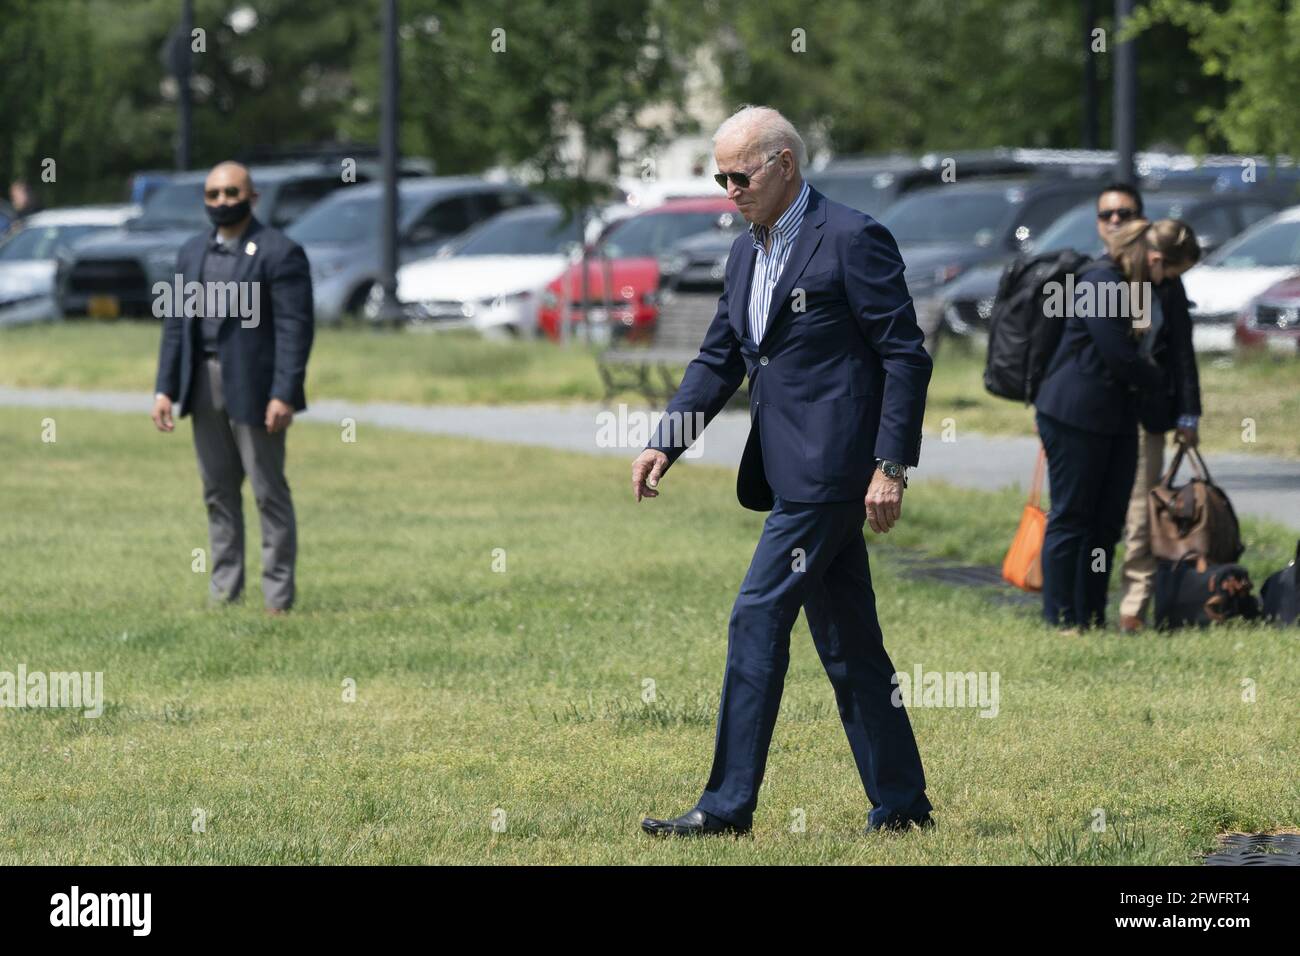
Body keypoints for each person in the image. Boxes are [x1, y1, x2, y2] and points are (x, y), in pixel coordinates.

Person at [630, 106, 935, 836]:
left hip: (832, 473)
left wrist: (889, 464)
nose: (729, 189)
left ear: (784, 165)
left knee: (756, 616)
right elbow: (721, 359)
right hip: (788, 469)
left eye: (740, 175)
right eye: (719, 177)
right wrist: (665, 441)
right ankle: (902, 806)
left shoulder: (852, 239)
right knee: (850, 643)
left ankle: (727, 806)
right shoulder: (745, 253)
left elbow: (904, 355)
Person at [151, 161, 315, 614]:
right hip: (201, 383)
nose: (222, 202)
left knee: (267, 491)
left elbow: (294, 330)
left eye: (231, 193)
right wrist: (165, 389)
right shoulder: (190, 253)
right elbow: (175, 328)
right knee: (218, 492)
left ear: (252, 197)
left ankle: (277, 599)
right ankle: (225, 592)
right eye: (214, 195)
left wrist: (284, 392)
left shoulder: (280, 252)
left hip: (256, 389)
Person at [1034, 217, 1171, 631]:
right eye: (1158, 261)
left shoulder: (1131, 286)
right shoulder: (1099, 282)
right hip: (1074, 414)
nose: (1162, 272)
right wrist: (1160, 380)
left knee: (1106, 523)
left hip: (1115, 418)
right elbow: (1119, 356)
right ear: (1142, 254)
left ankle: (1090, 617)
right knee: (1072, 517)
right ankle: (1060, 619)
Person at [1119, 219, 1202, 632]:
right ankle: (1082, 601)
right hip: (1104, 412)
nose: (1173, 280)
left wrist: (1189, 415)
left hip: (1148, 418)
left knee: (1140, 509)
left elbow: (1183, 354)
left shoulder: (1169, 290)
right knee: (1096, 511)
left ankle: (1134, 604)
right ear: (1156, 259)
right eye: (1172, 271)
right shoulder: (1112, 281)